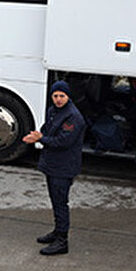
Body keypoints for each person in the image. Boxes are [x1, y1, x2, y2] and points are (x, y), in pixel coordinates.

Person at [22, 81, 85, 256]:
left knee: (60, 203)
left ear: (68, 96)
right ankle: (57, 232)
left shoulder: (73, 117)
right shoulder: (53, 111)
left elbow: (63, 142)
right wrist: (38, 135)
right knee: (55, 200)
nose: (58, 99)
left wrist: (40, 139)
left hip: (63, 167)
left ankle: (62, 241)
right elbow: (47, 130)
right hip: (52, 164)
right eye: (55, 96)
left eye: (61, 96)